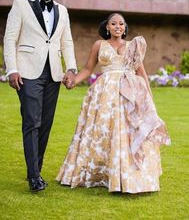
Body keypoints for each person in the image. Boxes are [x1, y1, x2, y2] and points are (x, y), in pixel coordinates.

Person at [56, 13, 171, 193]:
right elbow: (88, 69)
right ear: (107, 27)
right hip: (105, 95)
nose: (118, 26)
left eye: (121, 24)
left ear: (125, 28)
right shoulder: (98, 45)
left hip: (129, 94)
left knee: (128, 132)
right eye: (114, 24)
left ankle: (128, 176)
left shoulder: (133, 46)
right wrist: (74, 81)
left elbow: (141, 72)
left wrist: (149, 97)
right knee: (104, 131)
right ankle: (102, 173)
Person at [3, 0, 77, 192]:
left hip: (53, 73)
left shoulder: (62, 10)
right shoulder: (20, 4)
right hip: (27, 72)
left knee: (45, 123)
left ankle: (35, 169)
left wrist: (71, 69)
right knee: (32, 122)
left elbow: (68, 42)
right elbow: (10, 38)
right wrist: (12, 69)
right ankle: (35, 177)